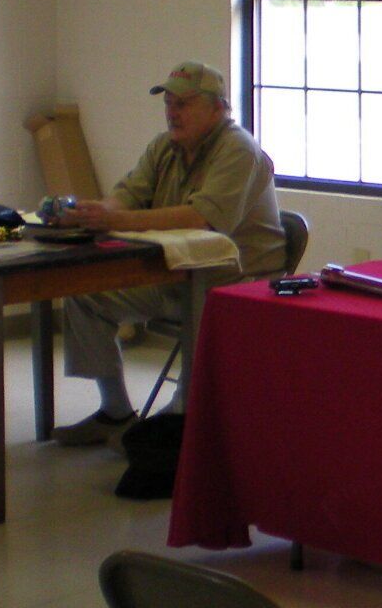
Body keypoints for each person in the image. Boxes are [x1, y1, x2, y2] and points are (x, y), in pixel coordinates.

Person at [52, 61, 286, 445]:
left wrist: (122, 221)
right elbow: (126, 196)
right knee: (85, 293)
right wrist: (92, 213)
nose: (173, 112)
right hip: (176, 271)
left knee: (204, 295)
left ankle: (182, 419)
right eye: (169, 103)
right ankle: (115, 412)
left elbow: (201, 219)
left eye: (184, 103)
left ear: (218, 109)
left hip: (239, 281)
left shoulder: (238, 149)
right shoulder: (164, 147)